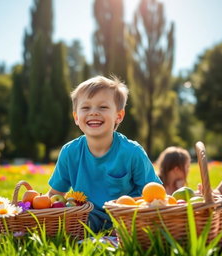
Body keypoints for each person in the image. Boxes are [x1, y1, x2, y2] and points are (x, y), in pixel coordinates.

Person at [47, 75, 162, 233]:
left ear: (119, 116)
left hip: (127, 215)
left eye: (103, 107)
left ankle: (121, 234)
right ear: (76, 117)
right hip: (87, 215)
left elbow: (154, 193)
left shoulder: (132, 152)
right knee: (69, 228)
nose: (93, 112)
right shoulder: (69, 152)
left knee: (136, 227)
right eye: (86, 108)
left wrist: (129, 218)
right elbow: (55, 194)